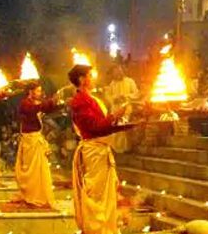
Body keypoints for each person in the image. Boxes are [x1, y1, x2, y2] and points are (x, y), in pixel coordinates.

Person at [68, 65, 137, 234]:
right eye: (91, 75)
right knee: (97, 197)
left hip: (100, 149)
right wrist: (115, 116)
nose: (93, 78)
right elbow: (95, 128)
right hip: (93, 152)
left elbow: (103, 126)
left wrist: (125, 126)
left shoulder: (92, 99)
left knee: (107, 196)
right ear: (82, 80)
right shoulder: (79, 101)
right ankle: (96, 230)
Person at [14, 81, 60, 209]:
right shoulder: (25, 103)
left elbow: (47, 108)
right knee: (31, 171)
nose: (40, 93)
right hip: (30, 140)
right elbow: (33, 109)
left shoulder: (36, 103)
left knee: (40, 170)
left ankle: (40, 195)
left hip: (36, 139)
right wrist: (50, 101)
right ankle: (31, 195)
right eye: (38, 91)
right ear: (31, 91)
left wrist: (57, 102)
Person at [104, 65, 140, 153]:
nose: (118, 73)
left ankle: (126, 148)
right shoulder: (112, 84)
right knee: (116, 129)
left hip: (126, 108)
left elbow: (136, 93)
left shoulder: (130, 81)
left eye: (119, 71)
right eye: (115, 72)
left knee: (124, 128)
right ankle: (117, 149)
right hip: (116, 109)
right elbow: (108, 96)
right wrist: (114, 99)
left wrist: (125, 97)